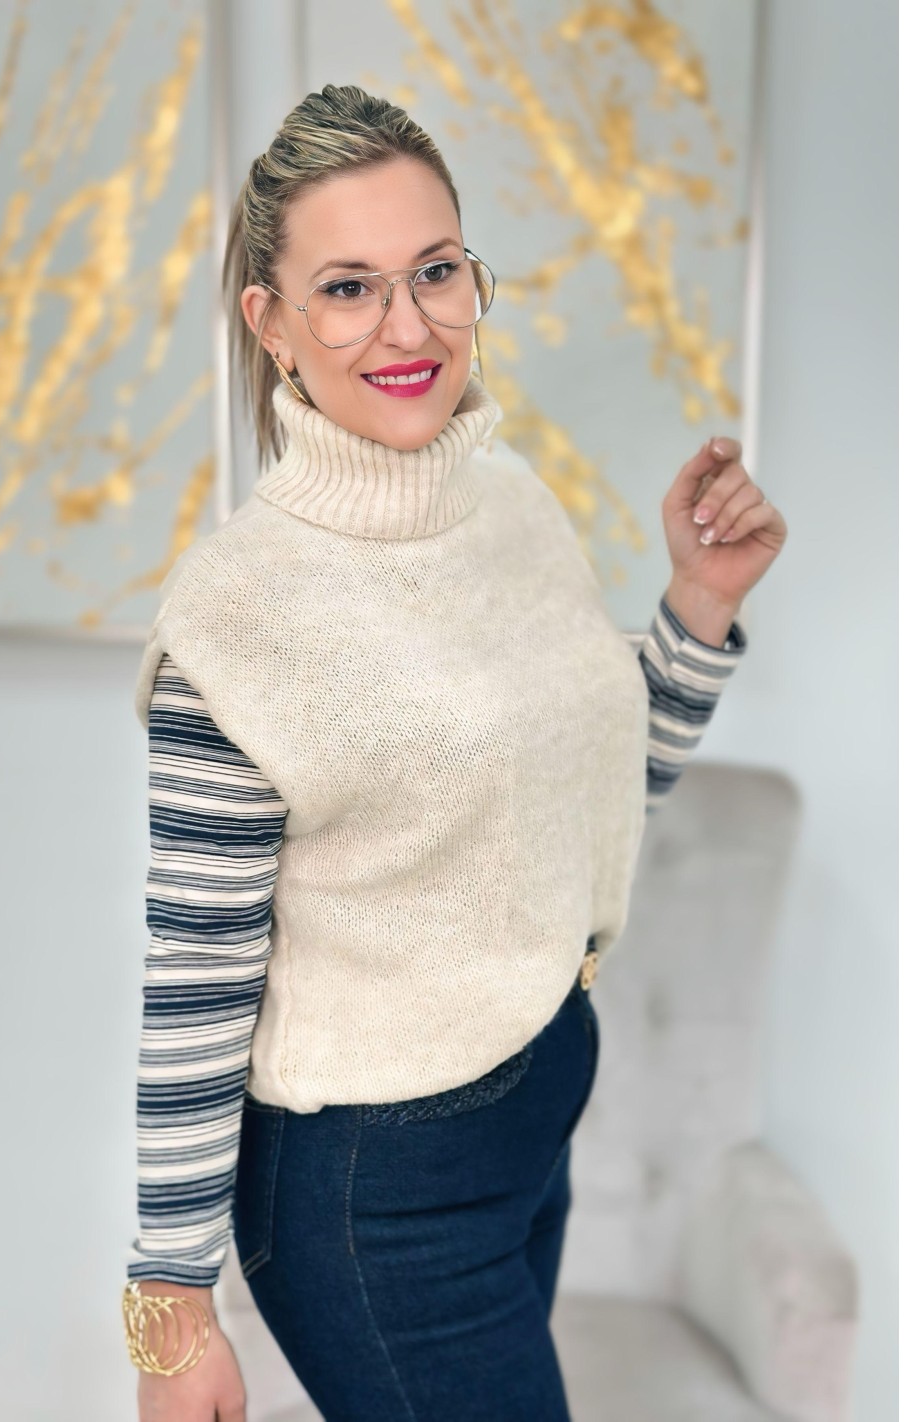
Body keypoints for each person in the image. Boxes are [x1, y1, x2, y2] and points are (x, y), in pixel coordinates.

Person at [121, 83, 788, 1422]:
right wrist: (169, 1313)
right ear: (271, 321)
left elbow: (597, 801)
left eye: (434, 271)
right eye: (348, 288)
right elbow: (197, 976)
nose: (409, 325)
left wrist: (699, 605)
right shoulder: (236, 621)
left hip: (532, 1124)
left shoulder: (515, 507)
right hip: (378, 1198)